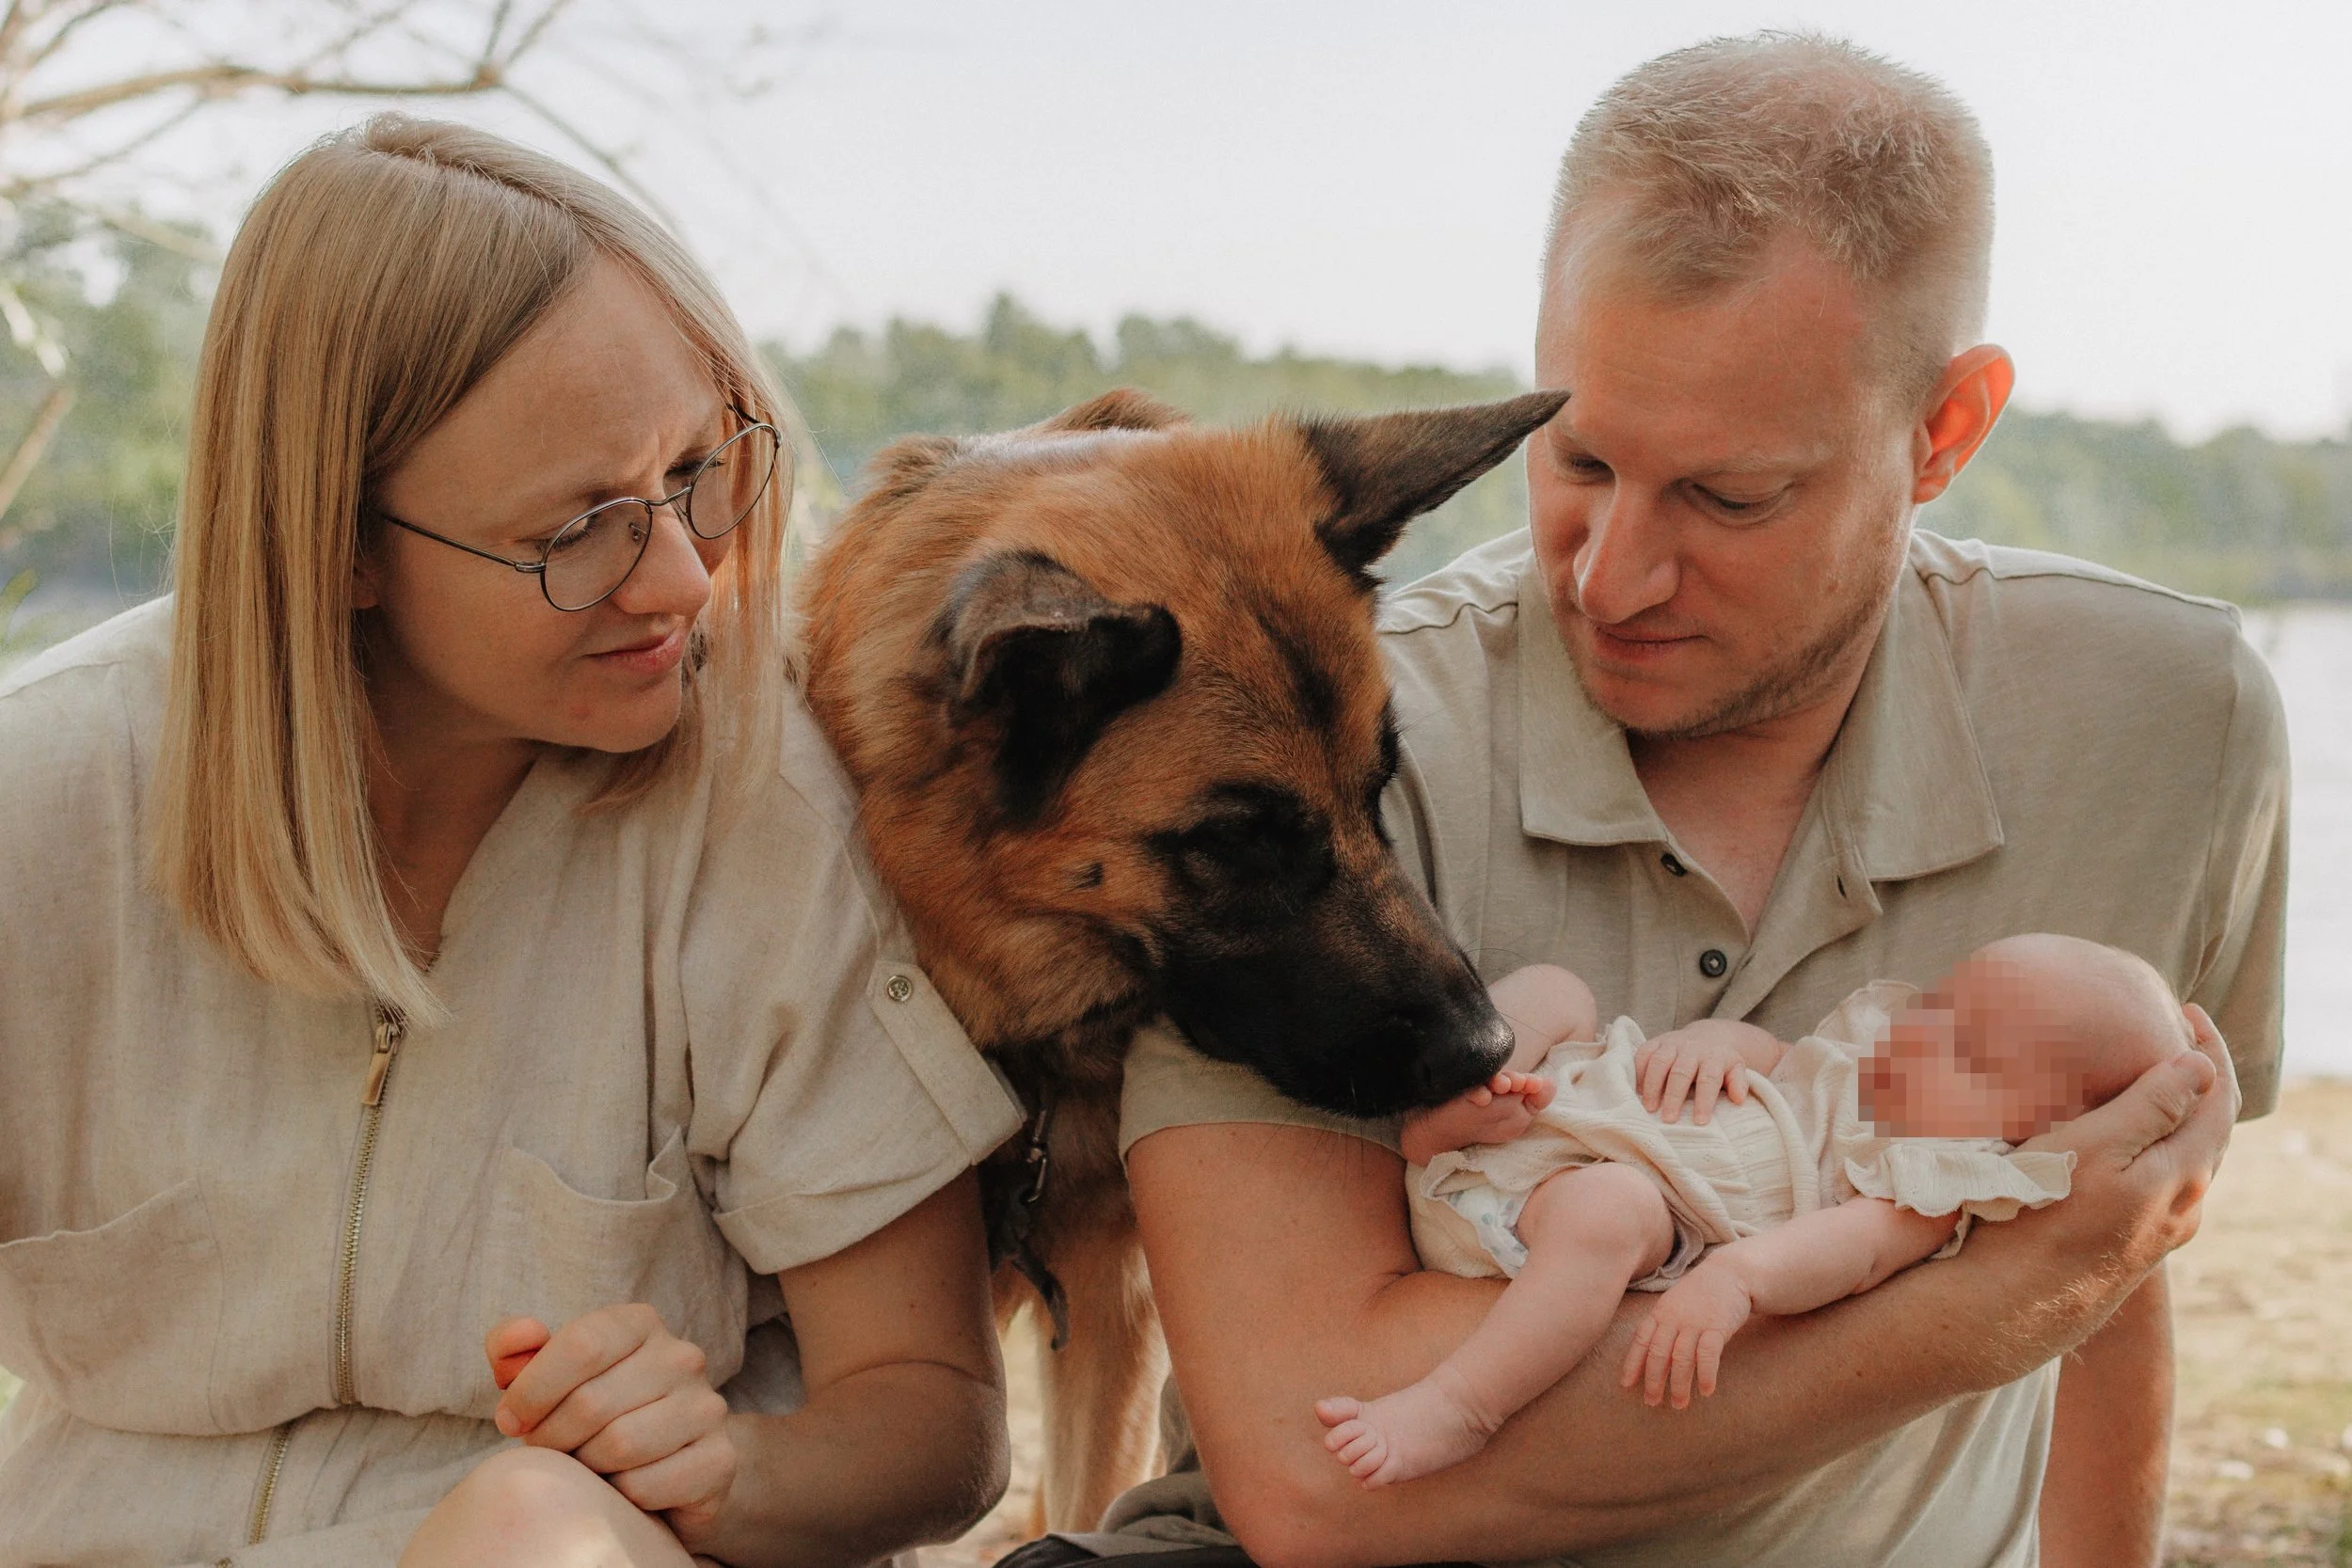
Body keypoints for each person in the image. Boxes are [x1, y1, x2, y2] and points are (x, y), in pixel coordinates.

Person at [1076, 30, 2284, 1568]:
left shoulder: (2168, 723)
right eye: (1576, 455)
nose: (1613, 576)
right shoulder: (1297, 762)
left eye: (1729, 496)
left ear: (1944, 432)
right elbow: (1315, 1470)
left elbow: (2114, 1261)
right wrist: (1978, 1312)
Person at [0, 119, 1022, 1566]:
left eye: (693, 471)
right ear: (338, 546)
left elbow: (935, 1421)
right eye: (581, 526)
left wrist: (724, 1466)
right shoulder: (38, 807)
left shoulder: (761, 803)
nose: (681, 574)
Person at [1318, 935, 2193, 1486]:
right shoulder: (1856, 1059)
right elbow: (1772, 1053)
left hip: (1560, 1206)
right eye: (1942, 1005)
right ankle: (1450, 1107)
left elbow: (1846, 1249)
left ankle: (1460, 1407)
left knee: (1610, 1213)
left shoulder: (1923, 1184)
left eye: (1972, 1050)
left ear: (2031, 1131)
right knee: (1554, 989)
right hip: (1555, 1102)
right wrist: (1714, 1043)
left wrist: (1739, 1279)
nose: (1925, 1034)